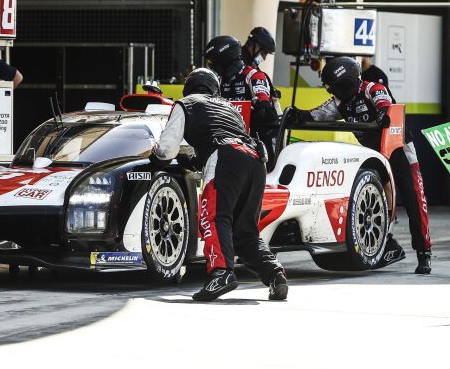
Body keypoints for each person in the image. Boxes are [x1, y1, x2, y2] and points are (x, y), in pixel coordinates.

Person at [150, 68, 288, 301]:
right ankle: (275, 274)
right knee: (245, 231)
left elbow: (167, 149)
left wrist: (155, 155)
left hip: (226, 157)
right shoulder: (229, 107)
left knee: (214, 218)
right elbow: (228, 134)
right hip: (255, 160)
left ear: (189, 88)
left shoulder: (186, 103)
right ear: (215, 88)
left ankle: (221, 273)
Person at [289, 57, 432, 274]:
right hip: (375, 156)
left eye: (332, 86)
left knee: (413, 198)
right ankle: (386, 244)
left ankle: (424, 253)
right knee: (380, 202)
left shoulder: (373, 89)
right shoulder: (339, 102)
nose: (331, 92)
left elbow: (386, 105)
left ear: (344, 82)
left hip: (400, 150)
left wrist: (384, 114)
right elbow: (316, 114)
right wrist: (297, 114)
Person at [204, 28, 281, 166]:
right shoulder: (219, 80)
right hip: (229, 139)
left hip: (259, 140)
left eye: (215, 62)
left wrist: (261, 105)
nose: (213, 67)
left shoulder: (253, 74)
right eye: (263, 53)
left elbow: (263, 98)